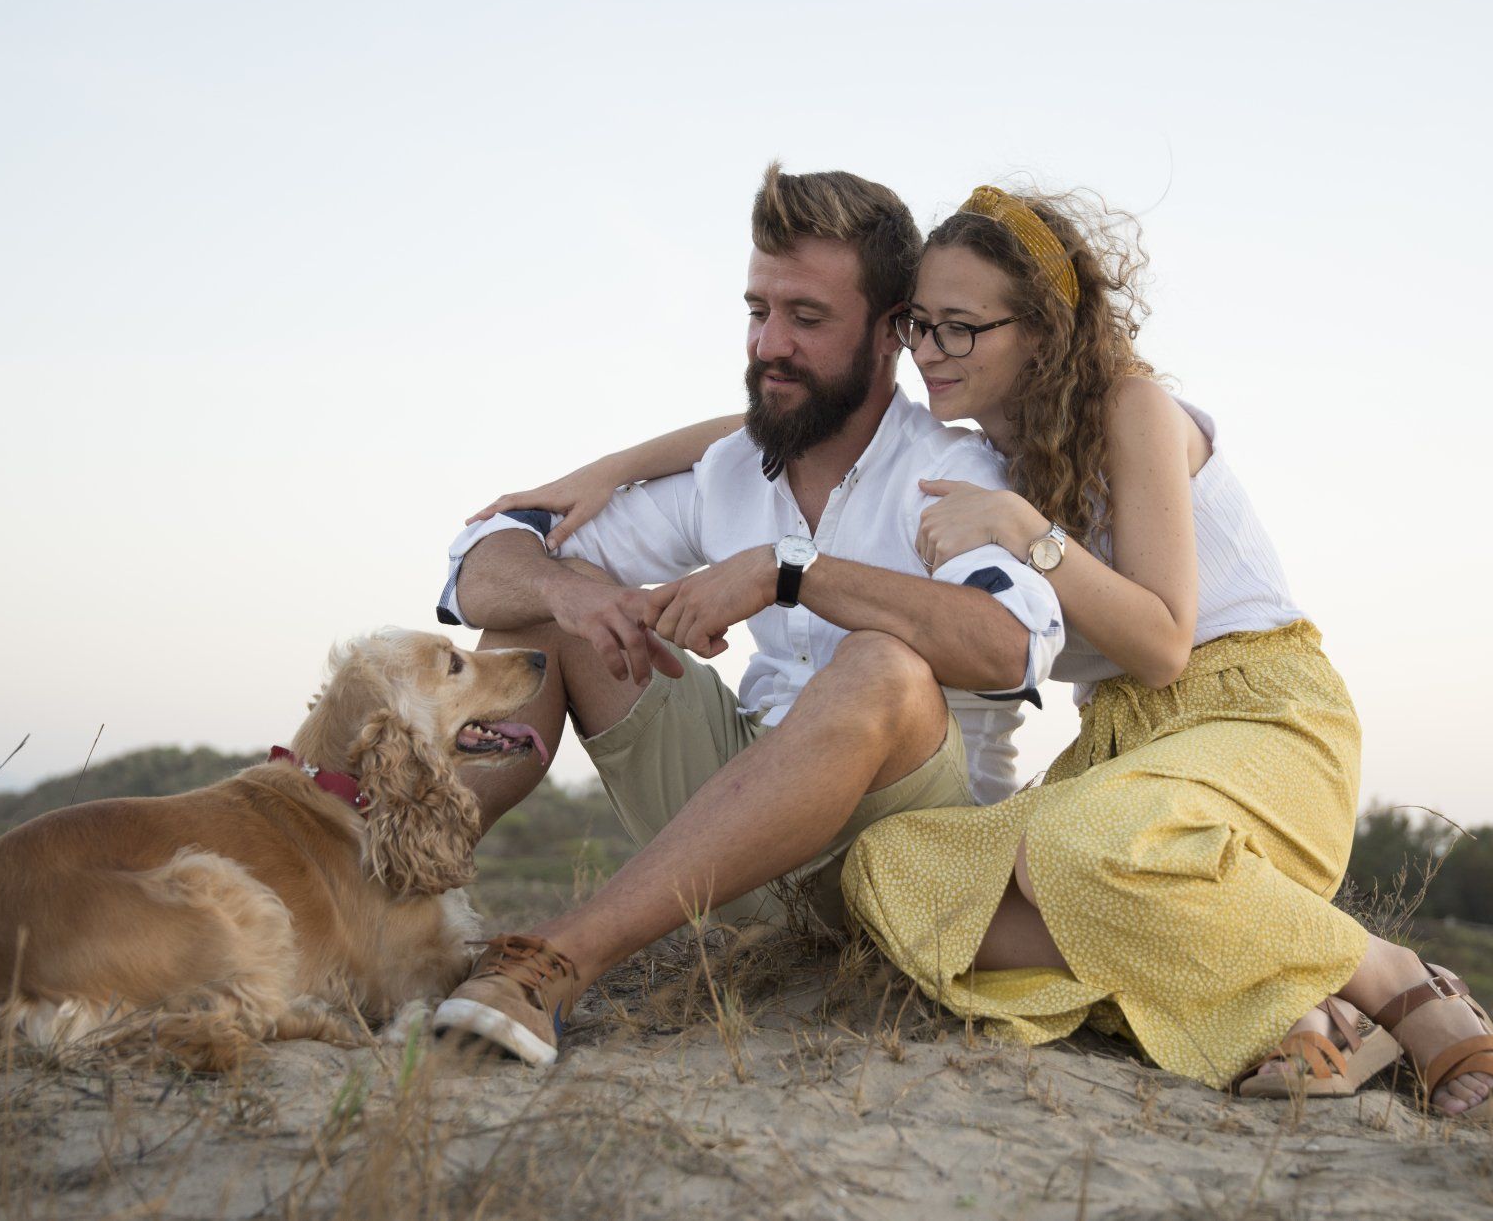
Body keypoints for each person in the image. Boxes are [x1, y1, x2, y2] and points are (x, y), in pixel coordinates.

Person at [476, 183, 1493, 1120]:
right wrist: (617, 463)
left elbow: (1164, 640)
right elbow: (824, 409)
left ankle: (1393, 977)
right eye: (921, 328)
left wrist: (1021, 532)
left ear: (1044, 329)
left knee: (1073, 858)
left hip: (1252, 711)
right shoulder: (995, 447)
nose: (931, 353)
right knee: (900, 880)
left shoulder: (1132, 407)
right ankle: (1286, 998)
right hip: (1125, 747)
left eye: (960, 330)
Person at [429, 165, 1064, 1066]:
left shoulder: (954, 474)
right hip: (737, 833)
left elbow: (1011, 646)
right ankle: (393, 897)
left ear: (891, 333)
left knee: (884, 666)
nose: (771, 343)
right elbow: (482, 560)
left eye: (807, 318)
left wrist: (791, 571)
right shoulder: (734, 468)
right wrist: (571, 592)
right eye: (758, 311)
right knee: (541, 625)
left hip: (904, 850)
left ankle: (560, 961)